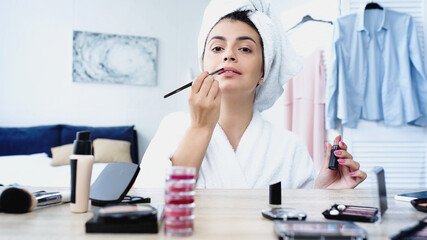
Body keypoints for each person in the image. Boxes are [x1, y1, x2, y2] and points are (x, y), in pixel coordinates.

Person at [139, 0, 367, 189]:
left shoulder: (289, 147)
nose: (228, 55)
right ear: (203, 65)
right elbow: (151, 209)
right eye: (217, 48)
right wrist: (200, 127)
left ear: (263, 72)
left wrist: (322, 195)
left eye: (245, 48)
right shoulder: (172, 128)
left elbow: (299, 222)